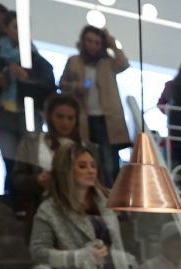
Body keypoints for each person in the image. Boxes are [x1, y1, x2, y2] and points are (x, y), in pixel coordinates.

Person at [30, 143, 143, 269]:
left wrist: (124, 260)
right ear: (66, 171)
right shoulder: (50, 210)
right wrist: (76, 257)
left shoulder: (105, 201)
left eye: (93, 165)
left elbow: (115, 242)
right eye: (82, 166)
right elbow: (38, 252)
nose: (91, 170)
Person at [0, 11, 55, 196]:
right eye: (16, 27)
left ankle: (25, 199)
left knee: (29, 159)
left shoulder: (34, 56)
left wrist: (27, 78)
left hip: (28, 112)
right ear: (6, 28)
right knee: (9, 158)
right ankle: (12, 197)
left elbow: (48, 85)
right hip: (1, 111)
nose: (20, 31)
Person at [12, 94, 97, 240]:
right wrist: (38, 180)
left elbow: (99, 184)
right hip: (44, 214)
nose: (65, 122)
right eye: (60, 116)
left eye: (71, 118)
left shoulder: (88, 147)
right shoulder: (31, 142)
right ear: (49, 116)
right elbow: (17, 179)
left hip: (81, 216)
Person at [59, 26, 130, 186]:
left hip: (107, 118)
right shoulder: (74, 61)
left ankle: (112, 197)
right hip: (83, 116)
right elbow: (62, 84)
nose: (93, 45)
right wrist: (76, 87)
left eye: (97, 42)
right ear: (83, 41)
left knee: (110, 161)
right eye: (90, 41)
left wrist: (110, 40)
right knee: (86, 157)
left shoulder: (108, 63)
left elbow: (124, 63)